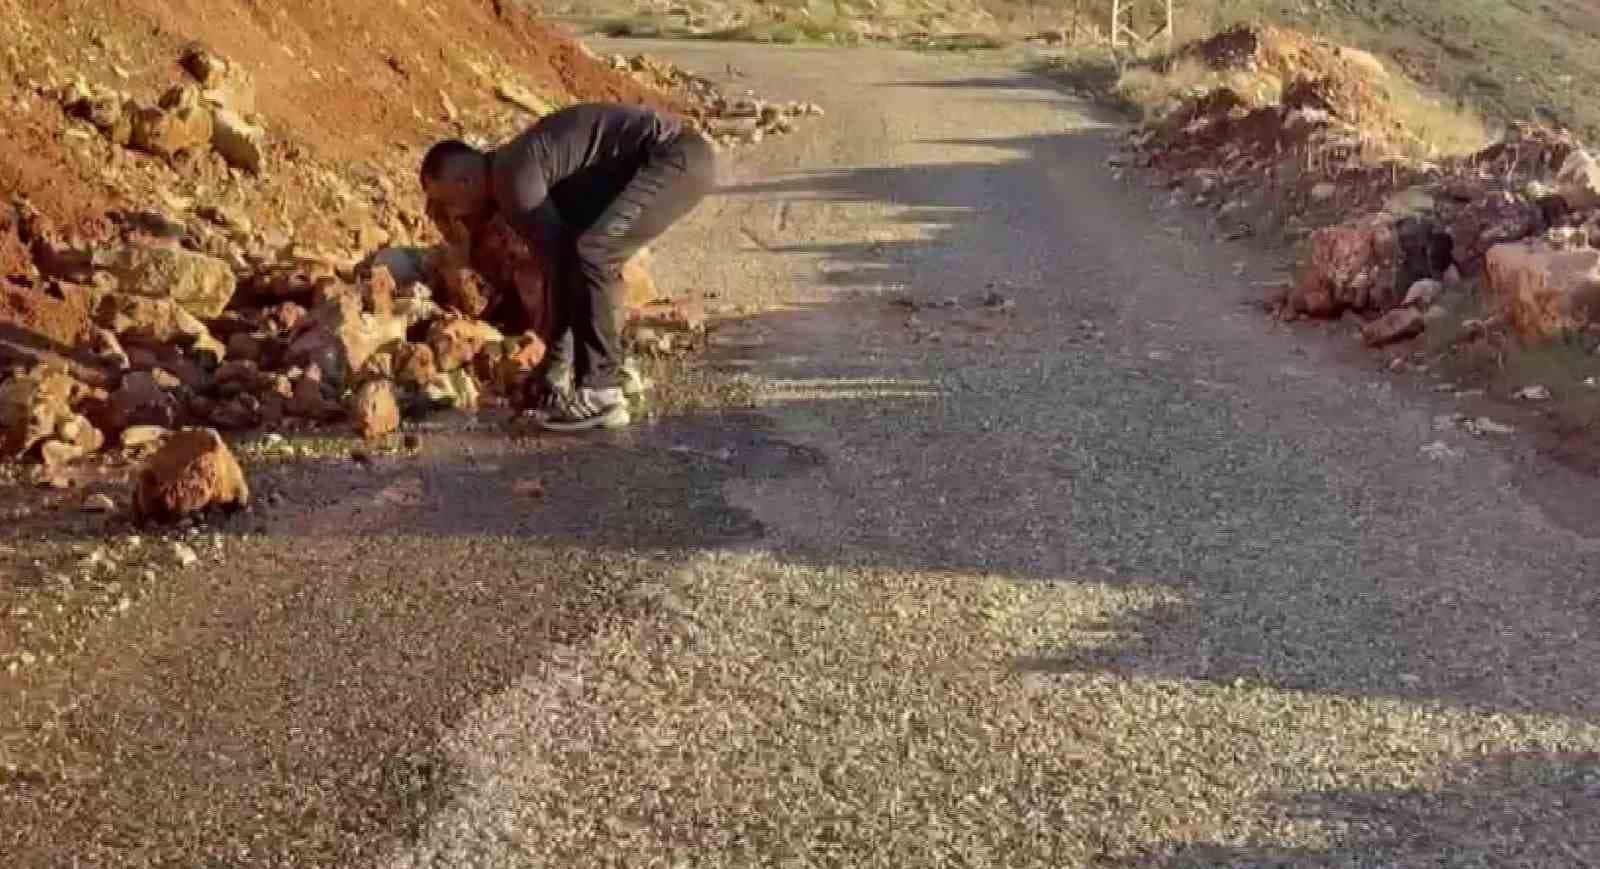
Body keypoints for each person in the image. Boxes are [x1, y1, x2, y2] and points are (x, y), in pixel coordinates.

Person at [420, 102, 718, 431]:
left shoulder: (512, 179)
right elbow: (565, 270)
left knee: (595, 252)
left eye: (447, 202)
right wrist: (554, 369)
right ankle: (607, 377)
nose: (454, 214)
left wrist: (554, 362)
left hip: (675, 158)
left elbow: (557, 267)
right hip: (677, 160)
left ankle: (602, 393)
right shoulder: (521, 172)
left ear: (464, 182)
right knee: (589, 253)